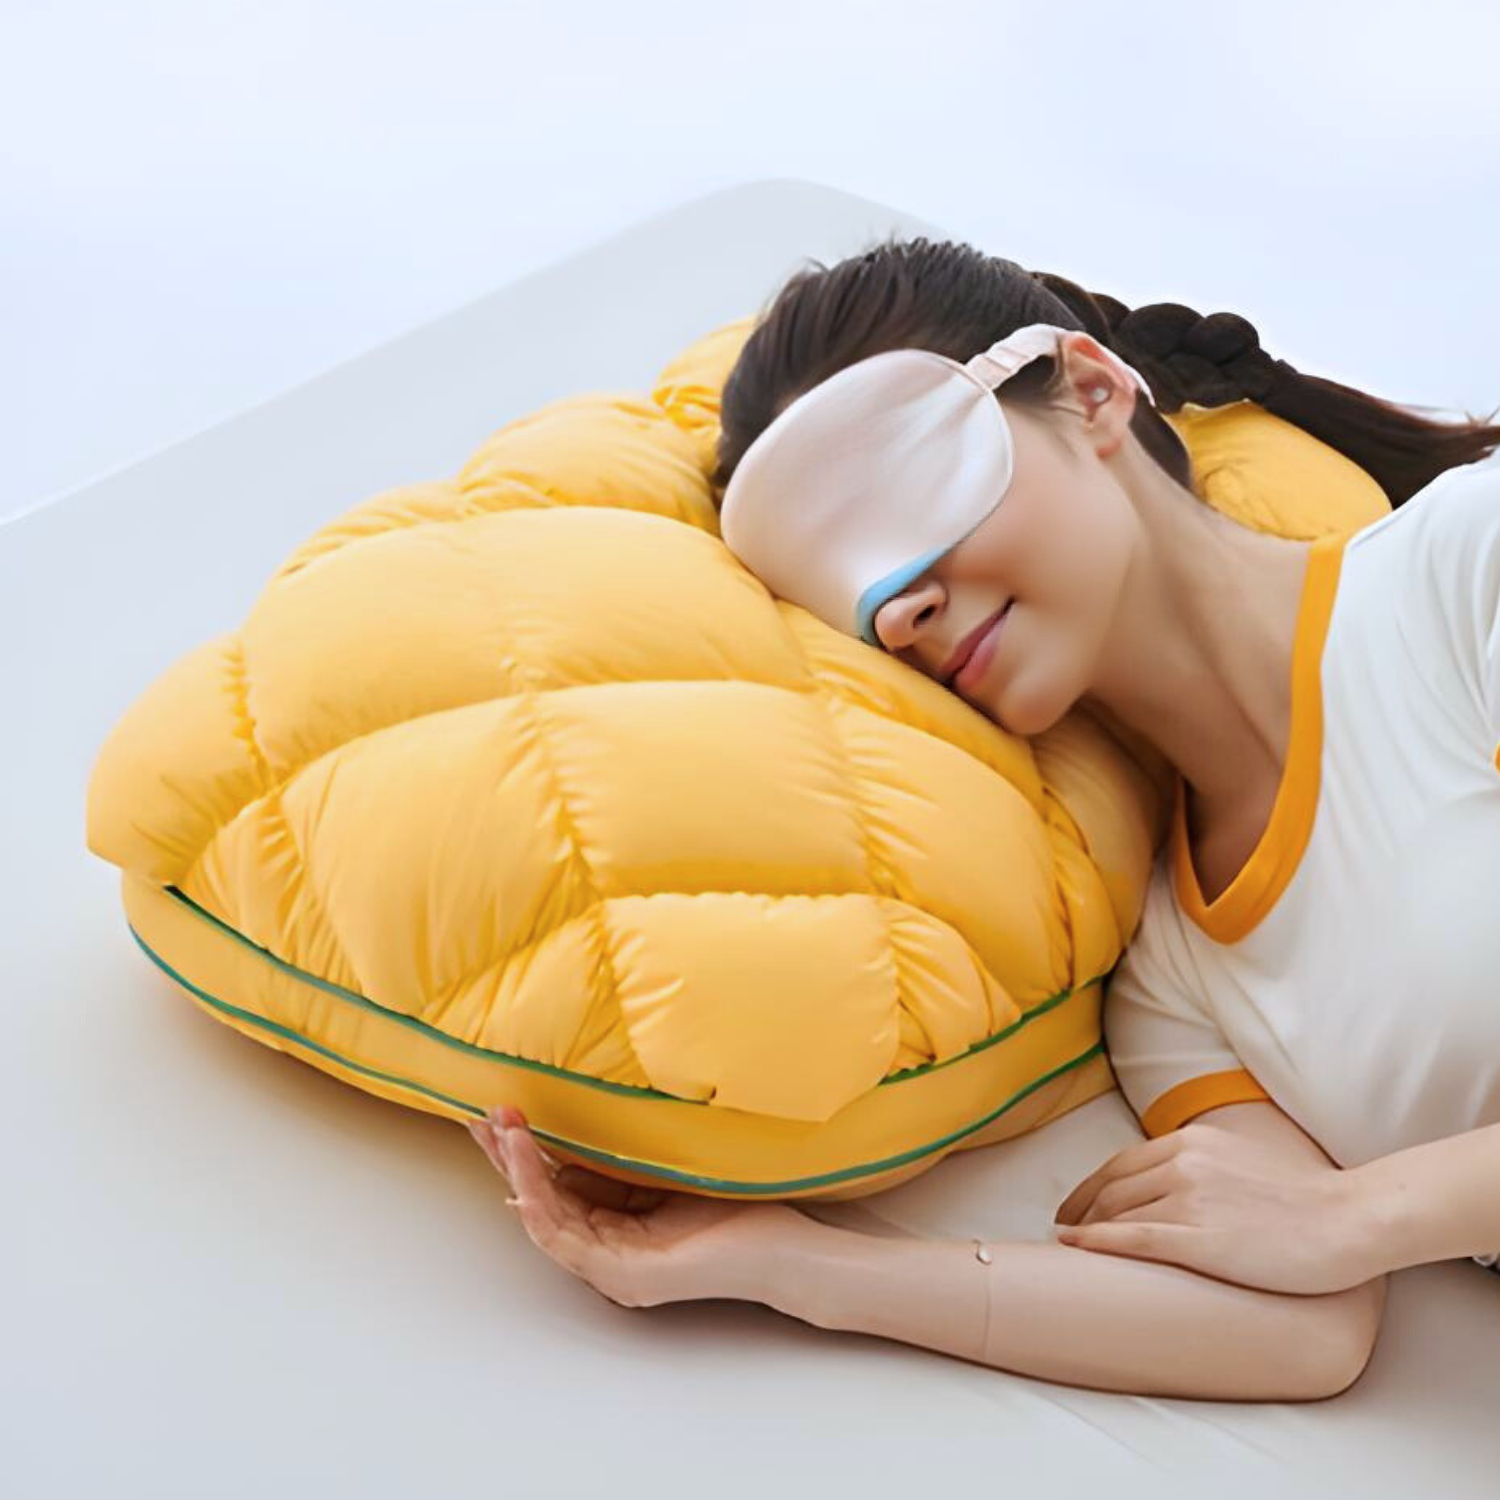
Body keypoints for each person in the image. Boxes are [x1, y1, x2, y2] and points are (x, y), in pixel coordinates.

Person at [466, 236, 1500, 1401]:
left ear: (1096, 393)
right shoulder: (1172, 982)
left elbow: (1325, 1236)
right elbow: (1297, 1328)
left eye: (903, 498)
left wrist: (1358, 1211)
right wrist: (787, 1262)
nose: (896, 607)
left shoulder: (1466, 573)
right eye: (838, 597)